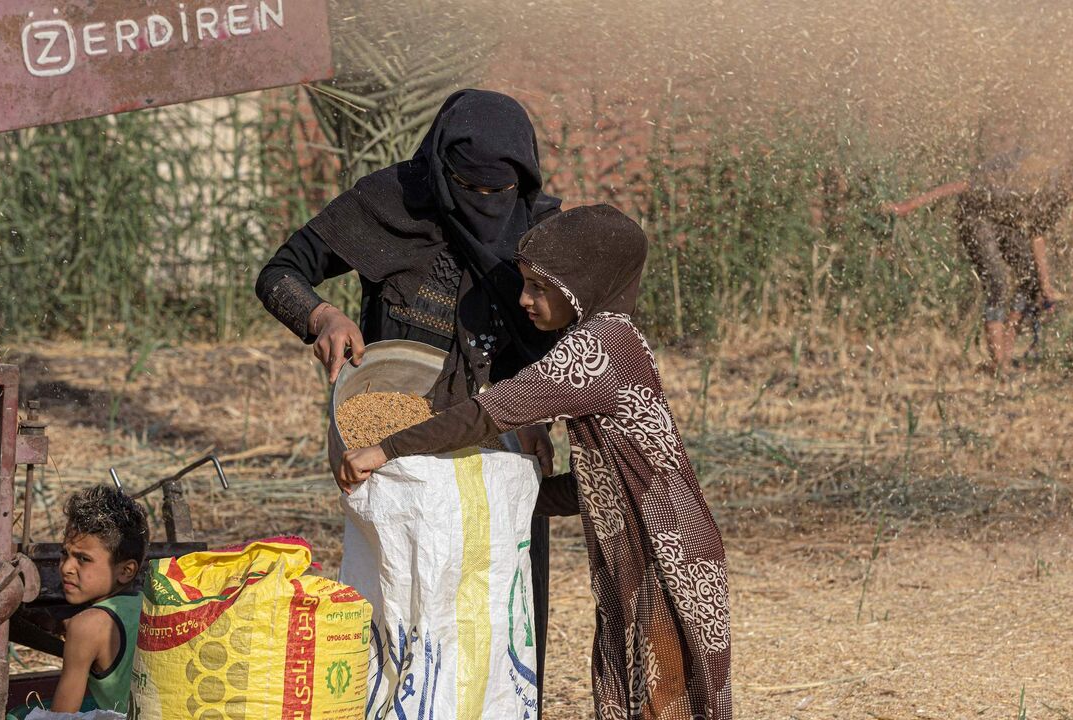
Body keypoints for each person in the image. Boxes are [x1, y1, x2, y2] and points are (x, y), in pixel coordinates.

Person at [339, 205, 733, 719]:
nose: (525, 300)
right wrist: (504, 499)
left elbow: (489, 413)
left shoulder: (601, 348)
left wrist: (385, 448)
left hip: (666, 556)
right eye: (524, 284)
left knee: (666, 705)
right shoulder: (615, 338)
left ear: (582, 286)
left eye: (539, 288)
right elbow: (604, 486)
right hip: (643, 552)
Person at [254, 89, 562, 698]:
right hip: (398, 459)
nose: (484, 206)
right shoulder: (391, 203)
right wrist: (322, 318)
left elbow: (566, 337)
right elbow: (279, 273)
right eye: (468, 189)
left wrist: (537, 412)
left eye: (498, 194)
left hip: (503, 456)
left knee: (500, 624)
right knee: (405, 620)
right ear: (440, 173)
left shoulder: (541, 232)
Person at [885, 121, 1073, 373]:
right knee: (998, 281)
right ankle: (998, 364)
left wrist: (1045, 285)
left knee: (1029, 278)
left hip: (1003, 222)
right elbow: (965, 185)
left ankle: (1004, 355)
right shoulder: (1033, 174)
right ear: (1070, 170)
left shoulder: (1058, 199)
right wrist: (909, 206)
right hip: (976, 215)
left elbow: (1037, 235)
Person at [50, 485, 149, 714]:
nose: (66, 568)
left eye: (83, 559)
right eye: (65, 553)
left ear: (126, 571)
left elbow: (61, 717)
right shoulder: (146, 604)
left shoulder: (87, 626)